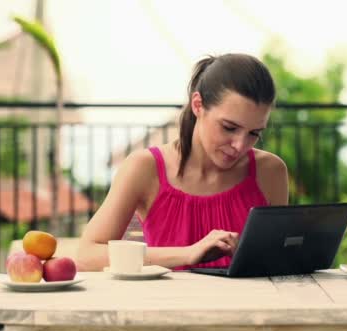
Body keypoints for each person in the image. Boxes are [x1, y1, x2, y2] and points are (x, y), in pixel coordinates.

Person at [77, 53, 288, 271]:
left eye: (254, 133)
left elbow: (281, 259)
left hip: (254, 303)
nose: (240, 145)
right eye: (229, 127)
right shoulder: (144, 167)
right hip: (168, 303)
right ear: (198, 105)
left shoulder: (270, 172)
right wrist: (188, 253)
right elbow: (87, 254)